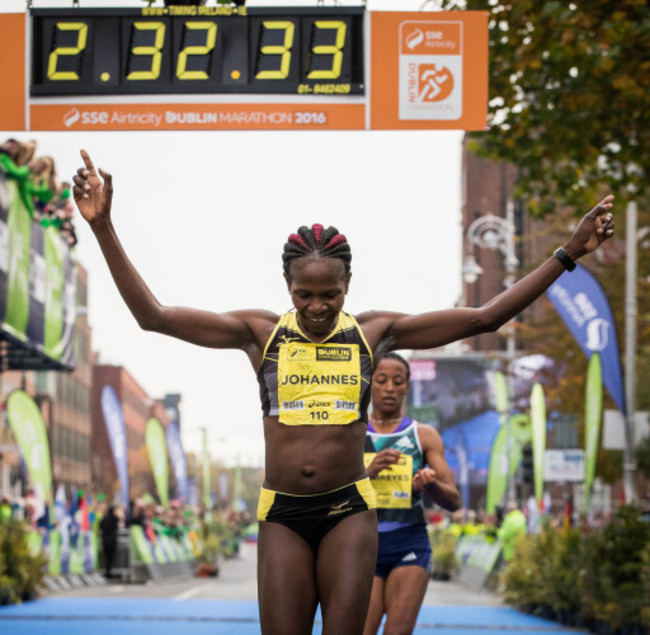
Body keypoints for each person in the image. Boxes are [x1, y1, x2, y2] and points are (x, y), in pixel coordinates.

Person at [72, 149, 614, 635]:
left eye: (329, 295)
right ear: (287, 288)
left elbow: (484, 318)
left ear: (347, 286)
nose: (316, 307)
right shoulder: (259, 333)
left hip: (348, 510)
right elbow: (154, 317)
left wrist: (567, 252)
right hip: (281, 511)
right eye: (304, 295)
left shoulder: (375, 333)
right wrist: (104, 230)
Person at [363, 353, 460, 635]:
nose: (389, 387)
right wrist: (367, 473)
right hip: (361, 543)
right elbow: (330, 494)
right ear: (370, 384)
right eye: (381, 380)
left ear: (407, 386)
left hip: (408, 541)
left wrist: (430, 484)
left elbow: (453, 501)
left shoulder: (424, 435)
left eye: (398, 381)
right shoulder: (351, 434)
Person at [99, 504, 120, 579]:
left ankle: (107, 573)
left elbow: (100, 526)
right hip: (112, 541)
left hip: (105, 541)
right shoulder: (115, 519)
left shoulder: (105, 518)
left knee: (107, 558)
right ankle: (109, 573)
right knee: (110, 559)